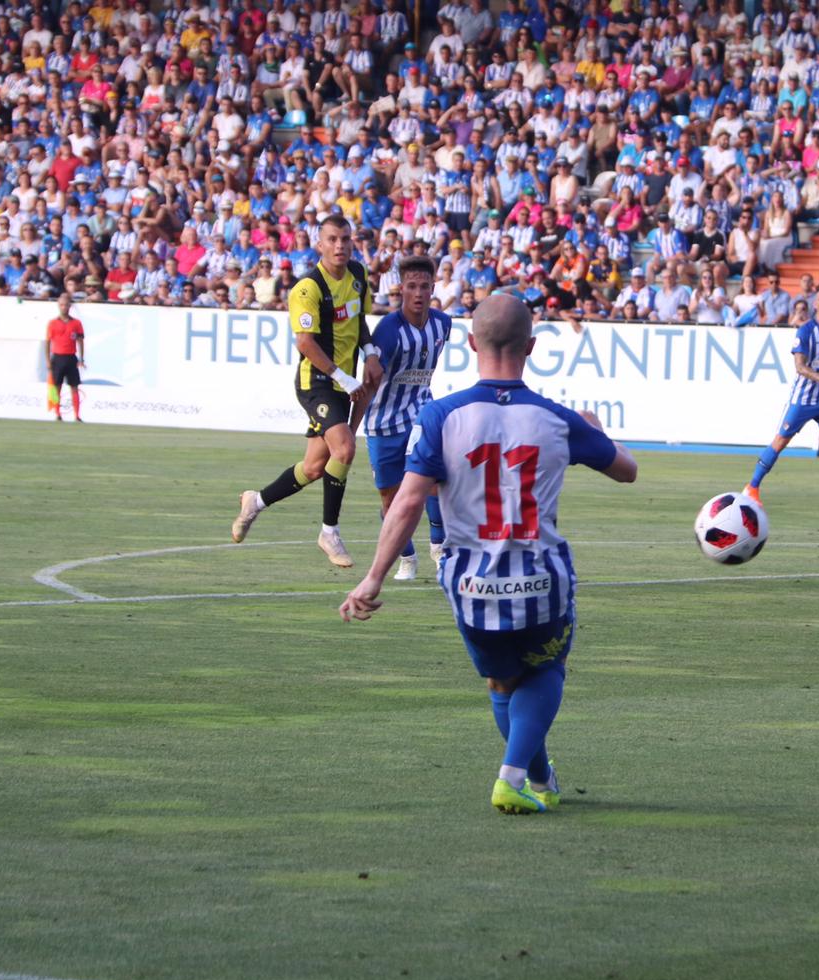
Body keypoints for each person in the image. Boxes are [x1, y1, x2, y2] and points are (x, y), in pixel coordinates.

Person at [339, 294, 637, 815]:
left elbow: (408, 502)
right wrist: (596, 428)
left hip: (471, 586)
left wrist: (372, 579)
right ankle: (513, 775)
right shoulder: (556, 418)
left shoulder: (439, 417)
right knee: (547, 670)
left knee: (502, 681)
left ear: (472, 343)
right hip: (541, 580)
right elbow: (626, 470)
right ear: (533, 347)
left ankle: (537, 778)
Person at [231, 215, 384, 566]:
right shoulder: (308, 288)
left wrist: (371, 352)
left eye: (345, 239)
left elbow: (359, 321)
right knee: (344, 449)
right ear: (320, 244)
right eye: (332, 239)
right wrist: (343, 378)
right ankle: (329, 532)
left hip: (345, 381)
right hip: (316, 382)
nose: (340, 245)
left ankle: (256, 501)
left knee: (315, 467)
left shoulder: (358, 276)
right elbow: (304, 342)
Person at [358, 255, 453, 581]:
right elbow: (369, 383)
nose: (418, 293)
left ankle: (439, 548)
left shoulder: (443, 324)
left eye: (424, 286)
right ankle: (407, 558)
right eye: (411, 286)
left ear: (433, 288)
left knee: (434, 482)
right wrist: (352, 425)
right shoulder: (388, 331)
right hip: (383, 422)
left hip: (422, 413)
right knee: (390, 497)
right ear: (400, 289)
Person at [743, 284, 819, 508]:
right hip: (803, 399)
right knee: (781, 441)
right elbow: (800, 366)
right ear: (815, 303)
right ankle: (752, 487)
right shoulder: (806, 331)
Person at [44, 295, 85, 423]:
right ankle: (57, 413)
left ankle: (77, 415)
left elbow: (80, 341)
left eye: (66, 305)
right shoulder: (52, 323)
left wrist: (81, 358)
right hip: (57, 357)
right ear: (58, 306)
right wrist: (48, 360)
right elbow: (48, 342)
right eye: (62, 305)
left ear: (70, 306)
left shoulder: (76, 323)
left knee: (74, 387)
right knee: (56, 387)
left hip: (71, 357)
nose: (64, 307)